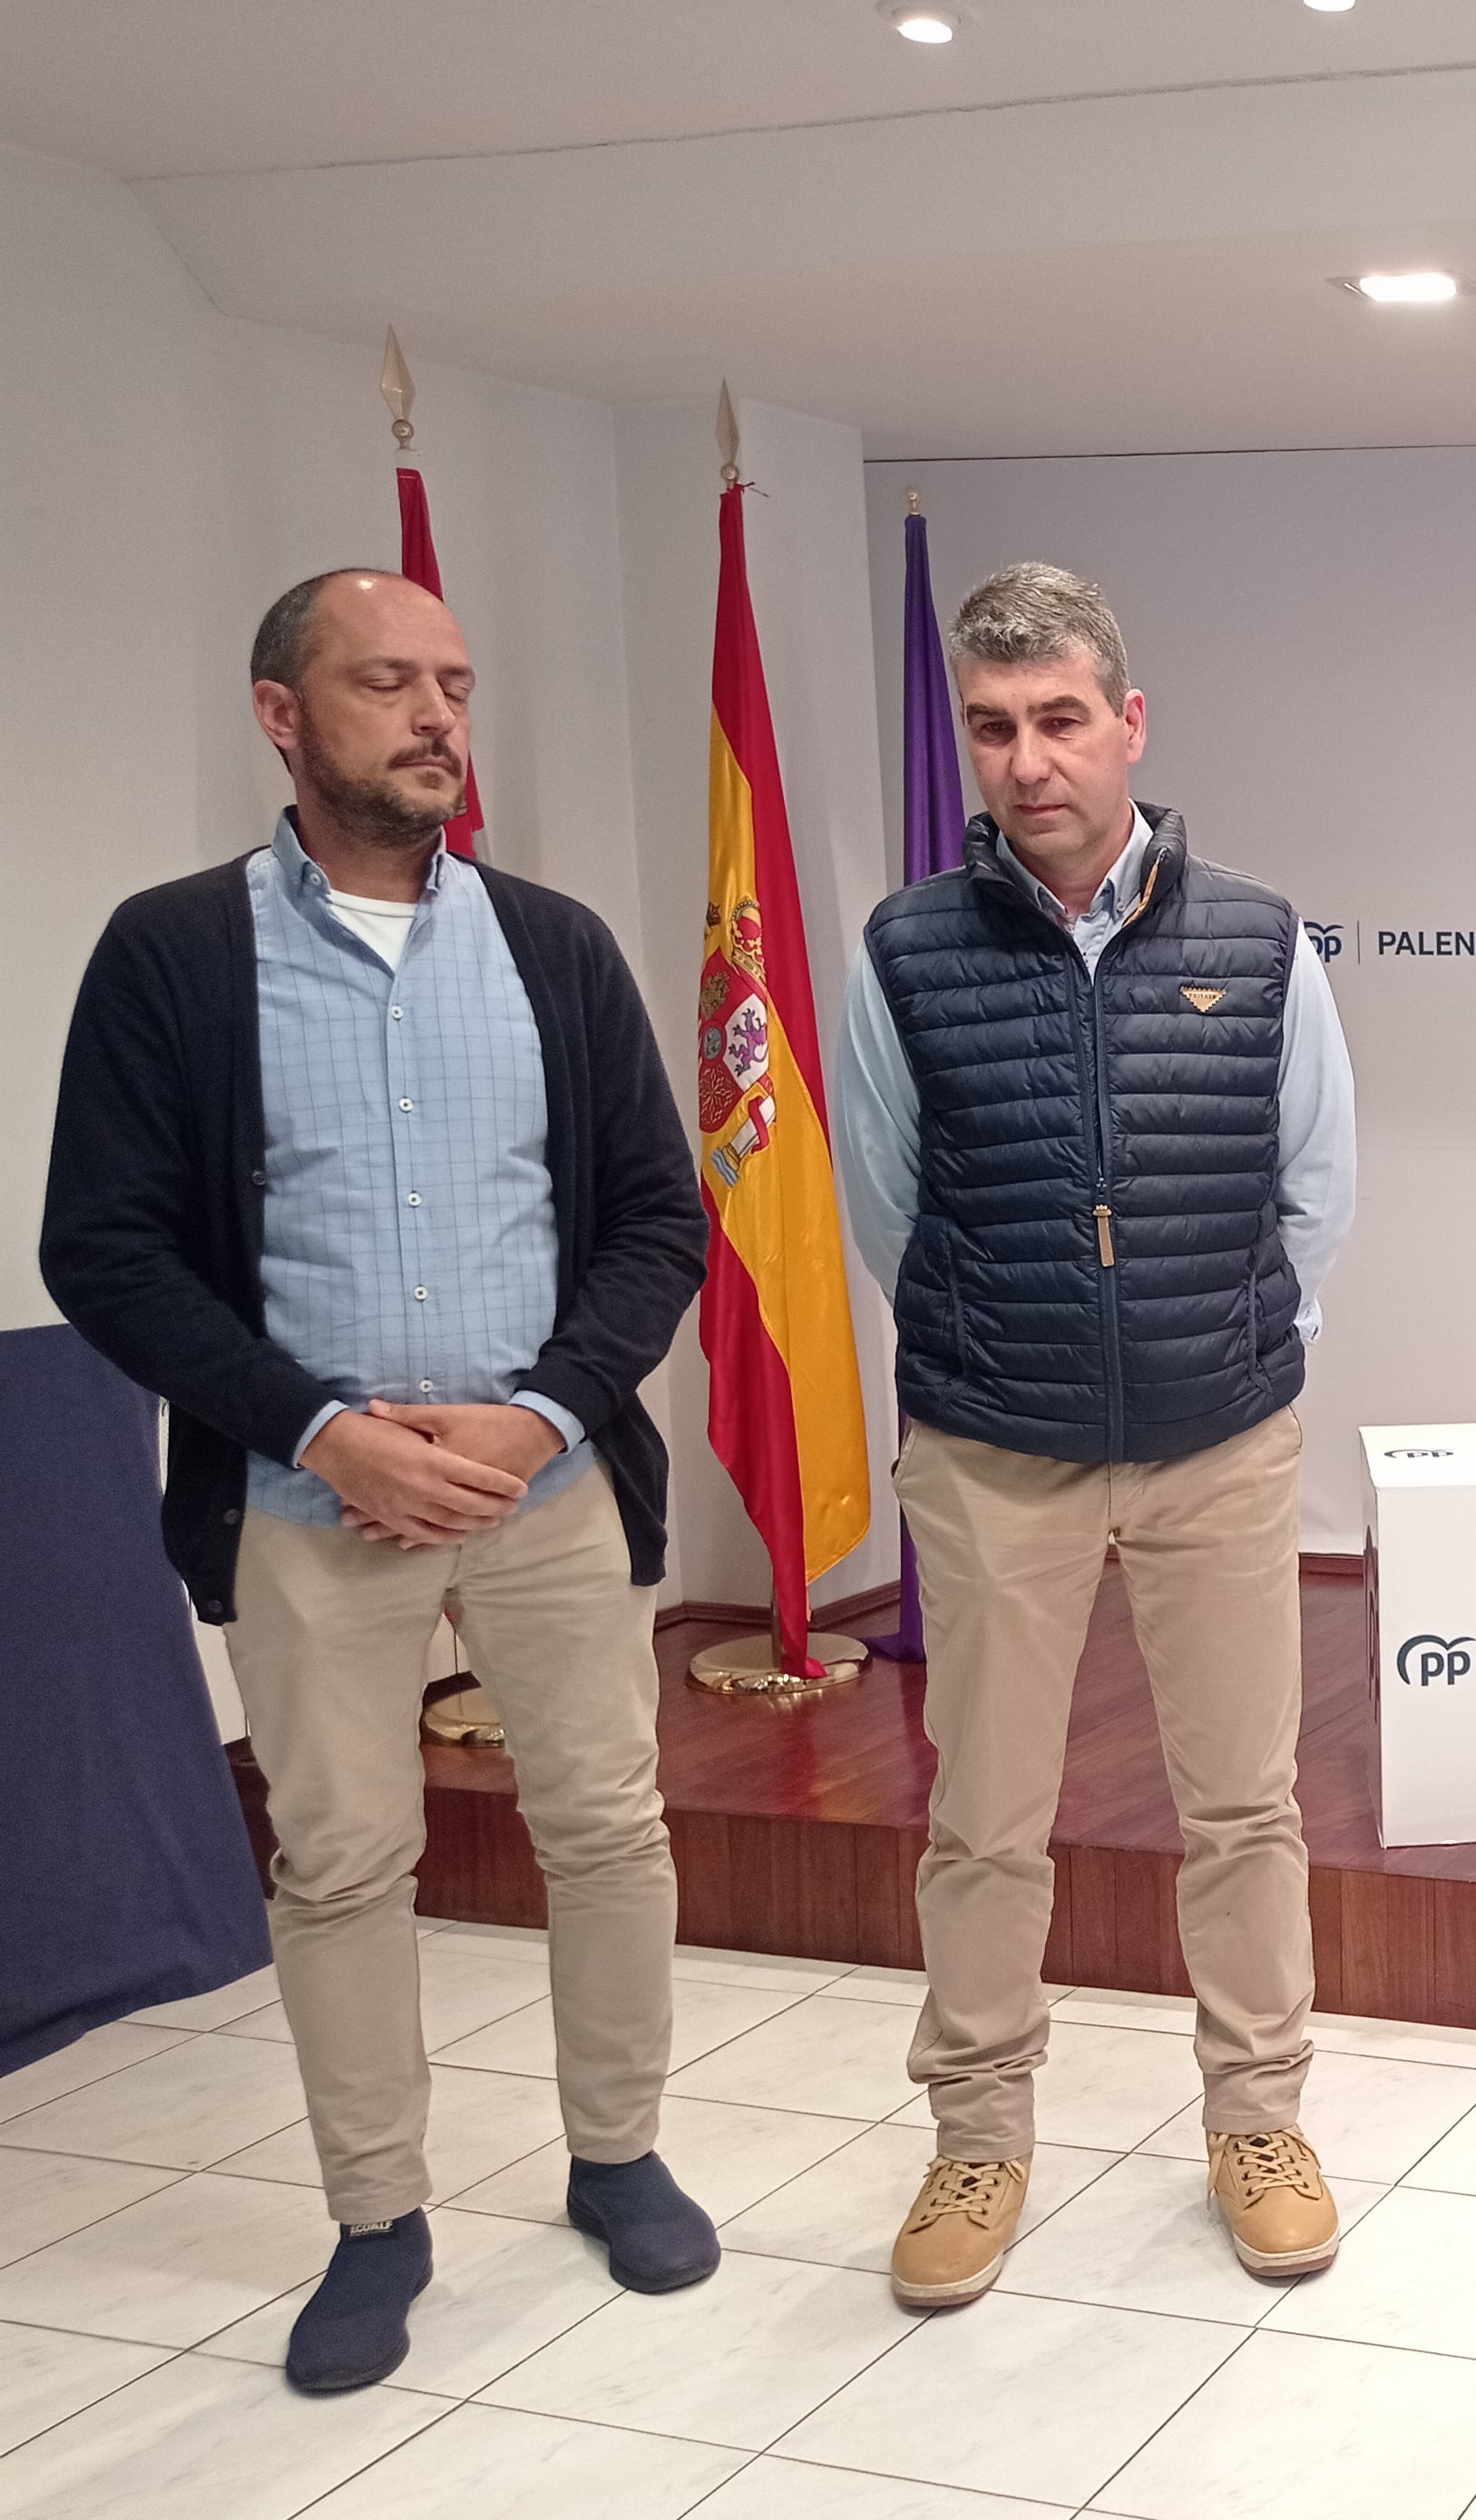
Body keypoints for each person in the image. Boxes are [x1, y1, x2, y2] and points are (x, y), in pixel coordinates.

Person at [42, 571, 717, 2393]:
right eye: (386, 682)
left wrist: (548, 1410)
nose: (435, 715)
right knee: (344, 1861)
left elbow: (662, 1216)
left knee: (605, 1824)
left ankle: (617, 2148)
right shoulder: (174, 953)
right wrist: (323, 1425)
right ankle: (375, 2216)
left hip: (541, 1480)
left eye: (455, 684)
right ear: (281, 713)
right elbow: (100, 1250)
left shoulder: (556, 949)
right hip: (301, 1495)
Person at [835, 562, 1358, 2309]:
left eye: (1061, 719)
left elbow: (1316, 1191)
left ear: (1130, 723)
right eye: (993, 727)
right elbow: (888, 1203)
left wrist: (1223, 1350)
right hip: (998, 1446)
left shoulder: (1260, 935)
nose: (1029, 759)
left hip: (1219, 1437)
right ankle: (976, 2134)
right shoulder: (905, 951)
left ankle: (1259, 2117)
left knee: (1244, 1801)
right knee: (986, 1814)